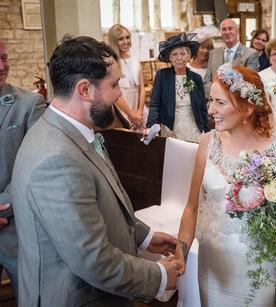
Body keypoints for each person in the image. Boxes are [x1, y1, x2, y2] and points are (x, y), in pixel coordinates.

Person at [11, 36, 180, 306]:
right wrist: (159, 276)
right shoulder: (56, 160)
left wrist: (144, 236)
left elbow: (100, 204)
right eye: (113, 85)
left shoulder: (68, 131)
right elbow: (94, 260)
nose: (119, 93)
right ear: (85, 90)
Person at [175, 65, 276, 306]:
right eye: (210, 101)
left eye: (220, 103)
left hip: (260, 266)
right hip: (214, 266)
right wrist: (180, 253)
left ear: (247, 108)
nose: (211, 109)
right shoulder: (207, 144)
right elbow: (192, 207)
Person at [0, 39, 45, 299]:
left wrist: (5, 204)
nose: (2, 66)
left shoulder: (29, 105)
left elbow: (33, 166)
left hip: (17, 229)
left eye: (5, 58)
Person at [146, 33, 210, 143]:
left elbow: (202, 108)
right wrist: (150, 126)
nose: (179, 58)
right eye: (174, 54)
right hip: (171, 130)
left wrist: (208, 132)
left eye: (183, 53)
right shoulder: (162, 76)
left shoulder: (196, 78)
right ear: (170, 58)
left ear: (189, 56)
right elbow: (155, 104)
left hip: (194, 130)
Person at [203, 18, 259, 95]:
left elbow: (251, 82)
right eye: (224, 29)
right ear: (220, 32)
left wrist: (229, 98)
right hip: (216, 101)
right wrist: (216, 95)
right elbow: (207, 80)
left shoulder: (250, 54)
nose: (227, 32)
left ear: (237, 31)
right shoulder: (213, 53)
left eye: (230, 28)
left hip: (238, 103)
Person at [107, 24, 146, 127]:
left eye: (127, 37)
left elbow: (142, 88)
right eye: (121, 39)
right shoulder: (111, 63)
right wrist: (131, 114)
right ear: (114, 41)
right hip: (121, 106)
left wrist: (140, 111)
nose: (126, 42)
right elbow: (113, 93)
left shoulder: (134, 59)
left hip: (138, 105)